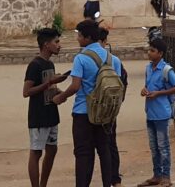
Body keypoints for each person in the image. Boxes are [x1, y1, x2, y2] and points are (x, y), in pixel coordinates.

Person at [53, 20, 124, 187]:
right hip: (106, 113)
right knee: (104, 150)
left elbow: (75, 86)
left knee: (83, 153)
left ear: (88, 37)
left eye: (79, 35)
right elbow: (118, 85)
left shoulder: (81, 58)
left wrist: (61, 97)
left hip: (83, 112)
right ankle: (108, 183)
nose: (77, 38)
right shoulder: (113, 59)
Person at [23, 28, 69, 187]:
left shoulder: (49, 64)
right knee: (36, 152)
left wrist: (59, 93)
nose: (59, 45)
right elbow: (27, 91)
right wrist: (49, 83)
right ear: (45, 44)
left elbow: (49, 89)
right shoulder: (34, 65)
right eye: (56, 42)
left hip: (51, 114)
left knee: (52, 150)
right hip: (38, 115)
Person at [139, 38, 175, 187]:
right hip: (150, 113)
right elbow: (147, 86)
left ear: (160, 53)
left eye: (152, 51)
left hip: (162, 113)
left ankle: (166, 176)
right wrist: (144, 90)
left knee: (163, 147)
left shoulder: (166, 70)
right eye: (149, 50)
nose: (149, 53)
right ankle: (156, 175)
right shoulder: (148, 68)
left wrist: (159, 93)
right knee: (154, 147)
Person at [99, 27, 128, 187]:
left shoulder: (113, 61)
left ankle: (114, 178)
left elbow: (122, 82)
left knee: (108, 145)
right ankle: (113, 179)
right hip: (106, 110)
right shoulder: (112, 60)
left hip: (105, 110)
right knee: (108, 145)